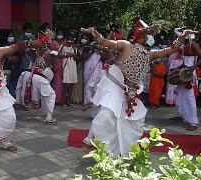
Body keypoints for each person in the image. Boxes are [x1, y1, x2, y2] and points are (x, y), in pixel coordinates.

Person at [80, 20, 197, 157]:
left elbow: (170, 49)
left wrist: (182, 37)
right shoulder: (126, 45)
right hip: (113, 86)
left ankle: (115, 152)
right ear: (141, 36)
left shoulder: (150, 54)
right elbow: (107, 43)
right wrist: (95, 33)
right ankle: (92, 143)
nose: (152, 37)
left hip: (130, 91)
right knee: (105, 116)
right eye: (150, 34)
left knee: (128, 121)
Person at [15, 30, 77, 125]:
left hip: (27, 75)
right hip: (39, 77)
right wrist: (72, 54)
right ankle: (49, 118)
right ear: (47, 43)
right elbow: (62, 55)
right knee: (51, 96)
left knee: (19, 86)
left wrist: (30, 43)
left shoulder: (31, 51)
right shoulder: (50, 52)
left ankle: (18, 103)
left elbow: (23, 48)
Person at [174, 28, 201, 131]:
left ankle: (193, 122)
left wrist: (193, 67)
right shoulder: (184, 44)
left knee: (189, 97)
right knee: (182, 95)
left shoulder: (194, 45)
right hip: (184, 71)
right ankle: (183, 116)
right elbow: (175, 35)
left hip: (190, 73)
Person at [62, 34, 78, 107]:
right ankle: (62, 101)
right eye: (68, 39)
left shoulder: (74, 48)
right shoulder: (62, 47)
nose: (69, 41)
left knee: (72, 84)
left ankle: (68, 101)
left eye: (71, 40)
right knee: (65, 84)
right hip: (65, 66)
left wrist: (74, 51)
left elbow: (76, 58)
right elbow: (59, 56)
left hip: (73, 67)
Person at [50, 30, 65, 105]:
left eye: (61, 34)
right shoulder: (53, 43)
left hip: (61, 61)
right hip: (56, 61)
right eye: (59, 34)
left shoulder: (62, 43)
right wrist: (54, 65)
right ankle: (54, 98)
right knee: (56, 81)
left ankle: (59, 98)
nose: (60, 35)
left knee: (60, 81)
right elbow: (52, 54)